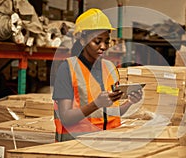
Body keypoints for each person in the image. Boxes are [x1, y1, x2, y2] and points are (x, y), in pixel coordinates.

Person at [52, 8, 143, 142]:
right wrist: (96, 104)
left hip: (108, 143)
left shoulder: (110, 68)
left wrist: (130, 102)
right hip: (76, 146)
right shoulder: (67, 69)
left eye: (106, 42)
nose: (103, 47)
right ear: (82, 40)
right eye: (97, 41)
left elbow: (111, 113)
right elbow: (65, 117)